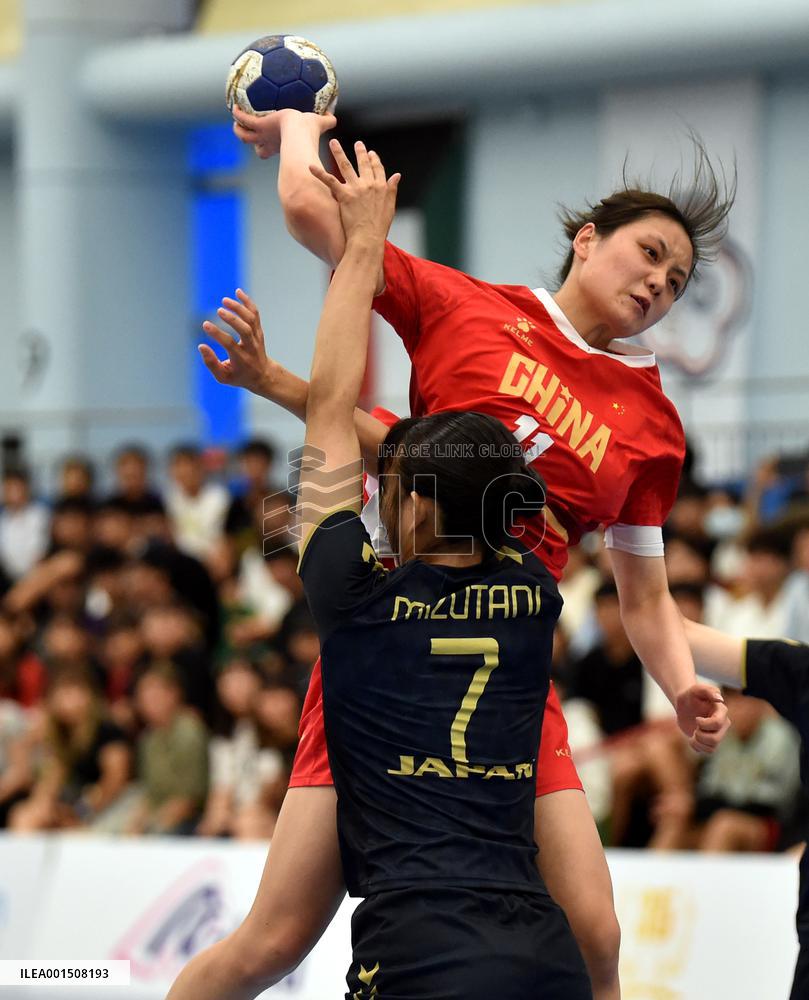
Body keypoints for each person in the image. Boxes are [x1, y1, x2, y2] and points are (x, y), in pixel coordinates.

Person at [190, 107, 733, 998]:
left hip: (508, 661)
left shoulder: (652, 425)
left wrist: (679, 686)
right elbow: (312, 214)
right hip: (396, 645)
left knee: (595, 935)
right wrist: (296, 130)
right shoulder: (464, 306)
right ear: (586, 240)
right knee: (273, 942)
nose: (657, 284)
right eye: (648, 254)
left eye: (675, 282)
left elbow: (644, 599)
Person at [169, 140, 590, 1000]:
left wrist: (362, 246)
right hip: (545, 958)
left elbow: (332, 408)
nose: (381, 491)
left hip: (418, 953)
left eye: (391, 486)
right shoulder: (533, 590)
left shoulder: (352, 598)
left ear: (420, 508)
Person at [682, 619, 809, 1000]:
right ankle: (694, 912)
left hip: (769, 825)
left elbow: (775, 801)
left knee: (724, 824)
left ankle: (704, 910)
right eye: (731, 698)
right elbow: (665, 625)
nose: (737, 706)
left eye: (742, 698)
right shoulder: (797, 670)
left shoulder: (779, 727)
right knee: (678, 819)